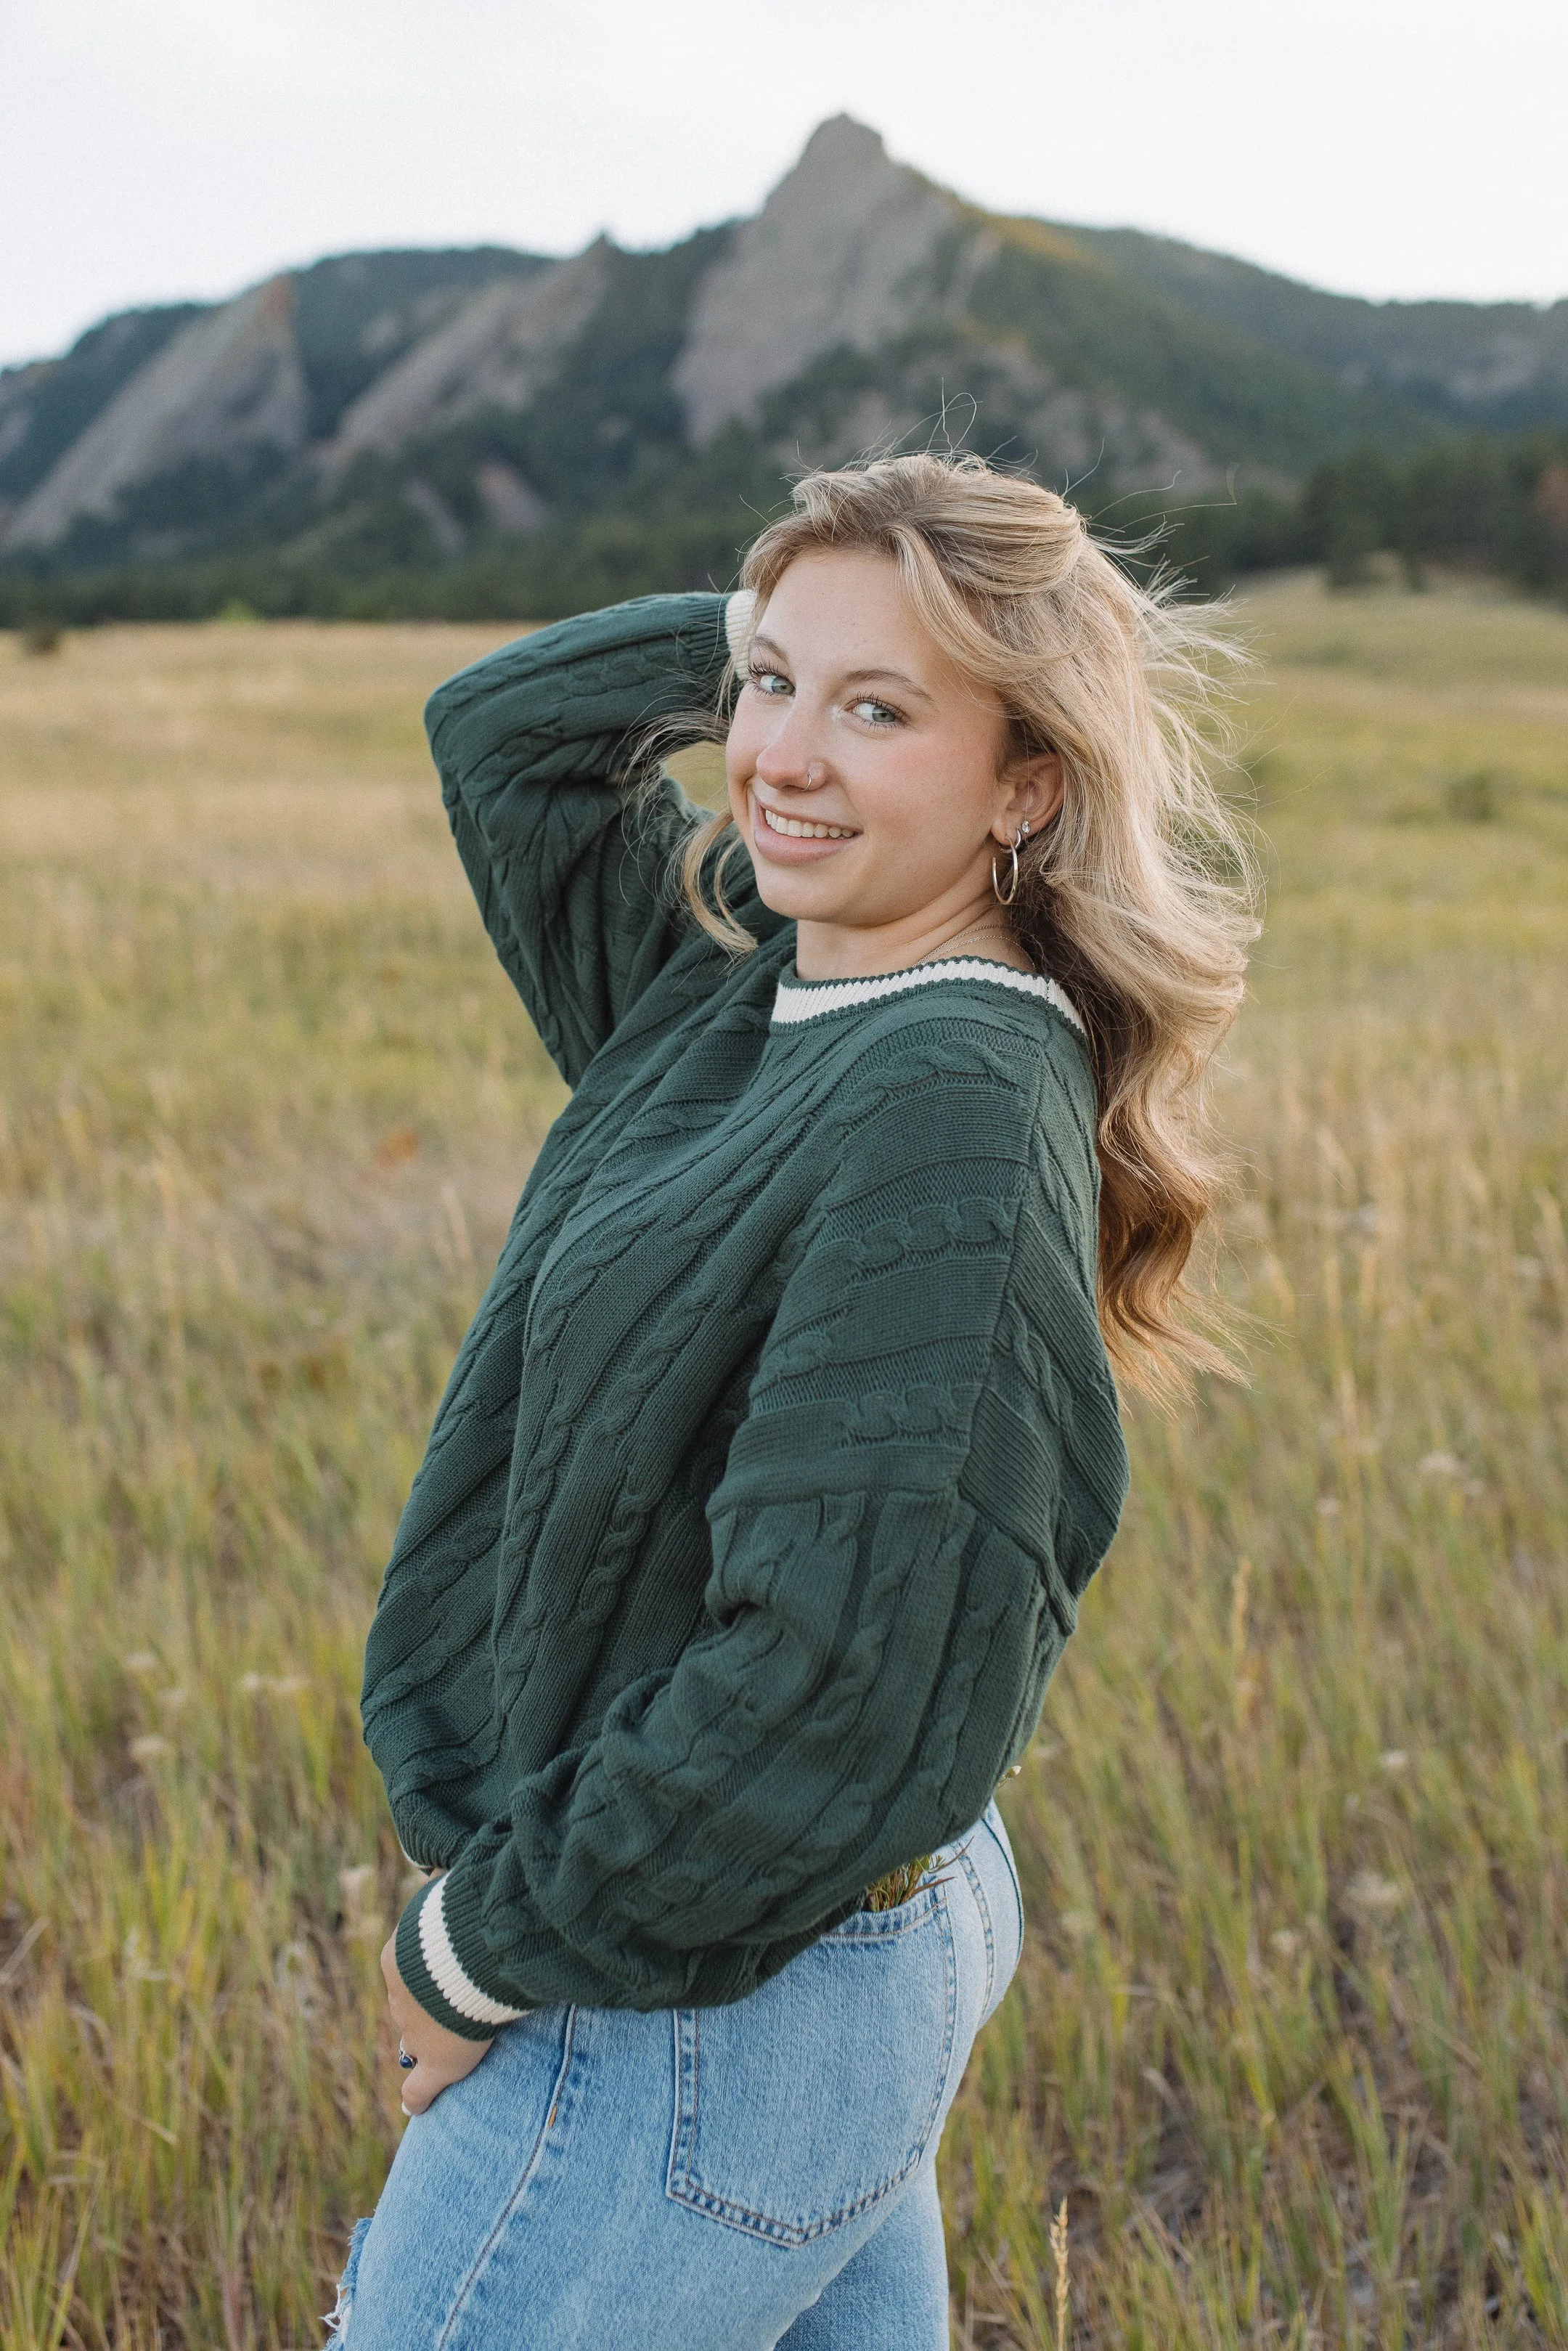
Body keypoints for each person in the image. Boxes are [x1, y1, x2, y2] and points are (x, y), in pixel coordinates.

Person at [330, 452, 1252, 2348]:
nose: (781, 759)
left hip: (698, 1991)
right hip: (802, 1947)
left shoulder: (947, 1102)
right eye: (769, 686)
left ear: (1030, 782)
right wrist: (793, 629)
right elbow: (501, 736)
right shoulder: (749, 991)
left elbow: (837, 1676)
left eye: (882, 708)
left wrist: (475, 1943)